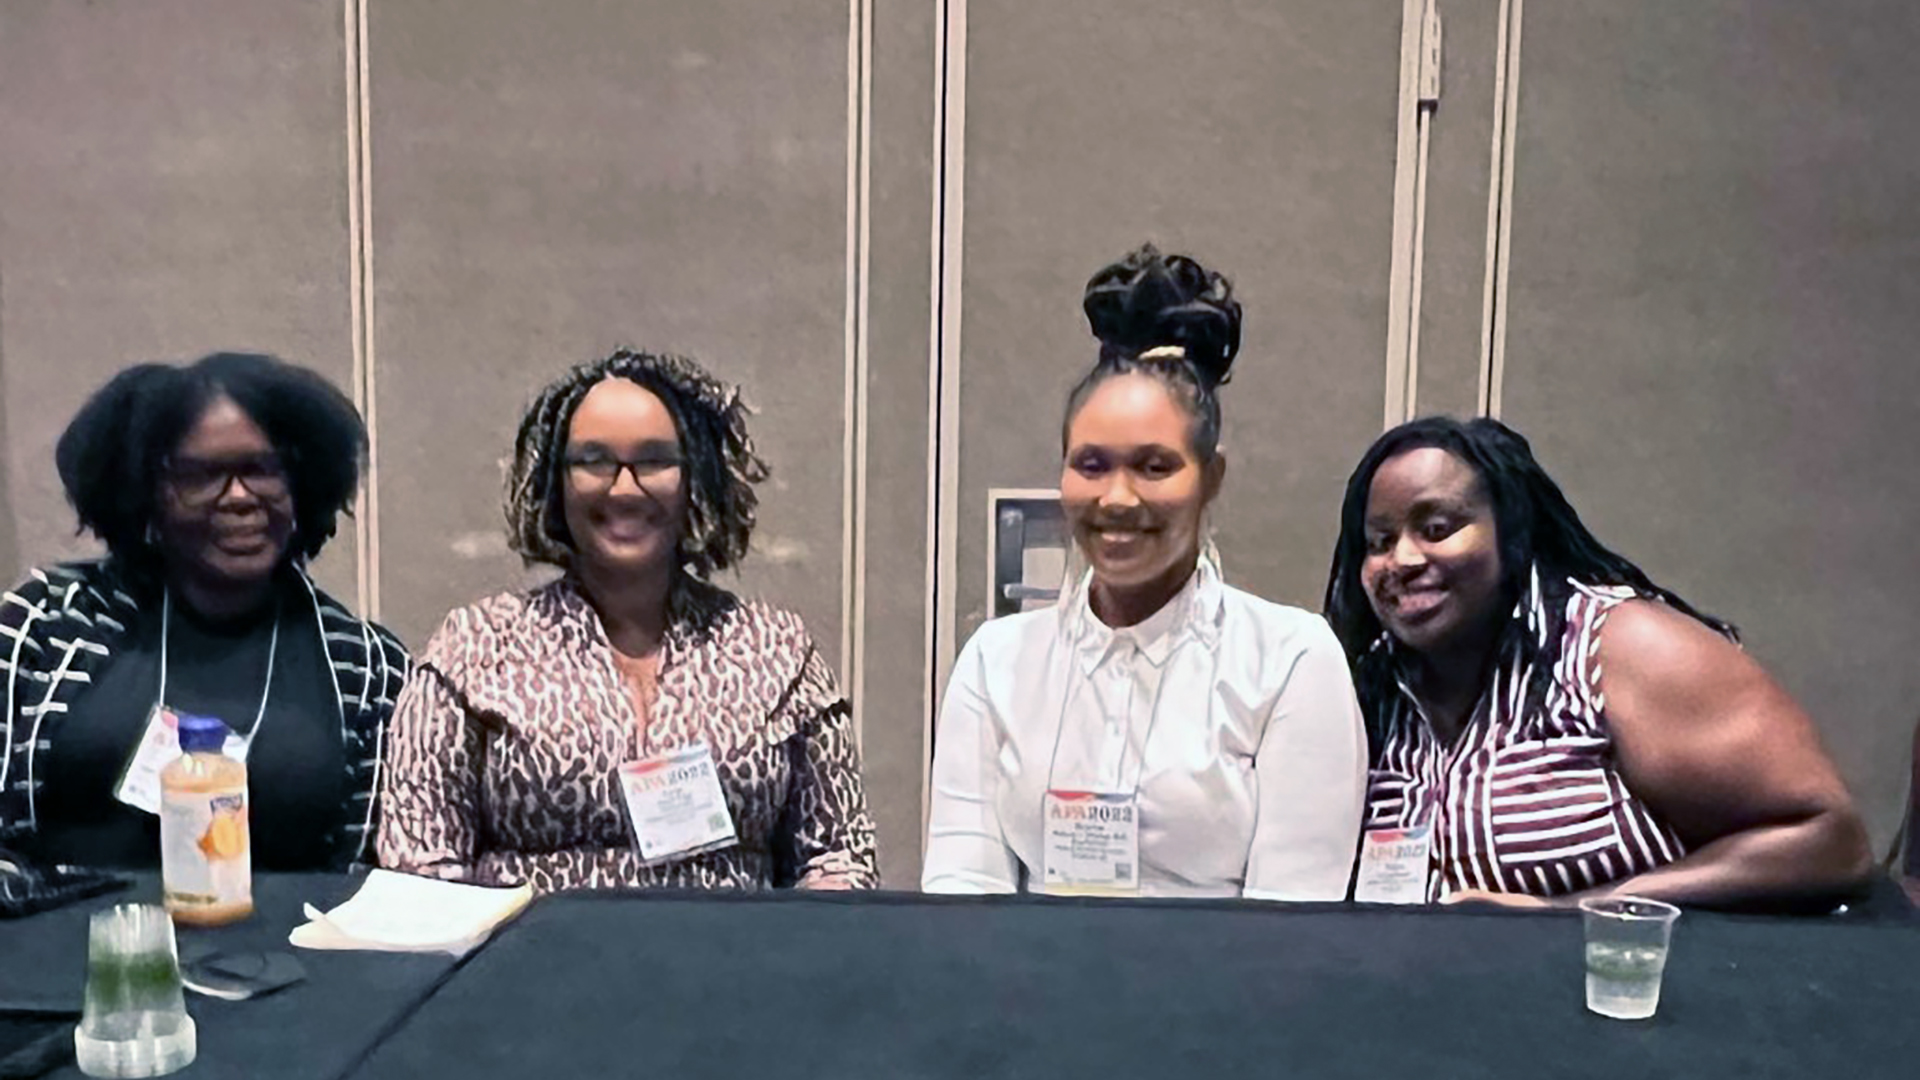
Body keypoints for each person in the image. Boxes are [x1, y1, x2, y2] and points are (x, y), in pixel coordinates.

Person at [922, 245, 1367, 899]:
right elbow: (962, 890)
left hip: (1225, 996)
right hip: (1026, 995)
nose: (1118, 499)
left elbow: (1294, 930)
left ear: (1210, 477)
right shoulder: (997, 661)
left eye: (1155, 466)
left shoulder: (1290, 659)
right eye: (1092, 464)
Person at [376, 349, 877, 892]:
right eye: (593, 460)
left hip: (732, 971)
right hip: (528, 972)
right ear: (555, 481)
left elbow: (840, 854)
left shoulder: (778, 651)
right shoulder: (472, 647)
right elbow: (419, 869)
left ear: (696, 478)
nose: (623, 488)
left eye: (654, 460)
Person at [1325, 416, 1873, 908]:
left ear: (1511, 531)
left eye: (1437, 529)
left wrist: (1578, 914)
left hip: (1626, 997)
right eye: (1379, 541)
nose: (1402, 559)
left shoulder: (1618, 646)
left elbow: (1829, 839)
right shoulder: (1368, 686)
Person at [0, 353, 410, 871]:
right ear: (143, 492)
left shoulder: (367, 666)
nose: (239, 497)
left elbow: (365, 875)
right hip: (57, 942)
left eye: (263, 470)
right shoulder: (48, 619)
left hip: (286, 950)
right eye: (202, 475)